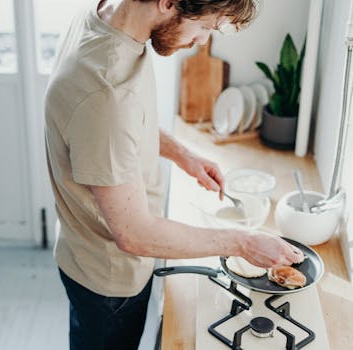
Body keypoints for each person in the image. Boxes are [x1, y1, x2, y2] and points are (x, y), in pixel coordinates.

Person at [44, 0, 304, 348]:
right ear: (167, 3)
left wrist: (183, 154)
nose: (200, 42)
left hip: (84, 246)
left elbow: (124, 123)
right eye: (206, 27)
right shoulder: (104, 91)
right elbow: (134, 234)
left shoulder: (109, 13)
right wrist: (241, 242)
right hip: (107, 276)